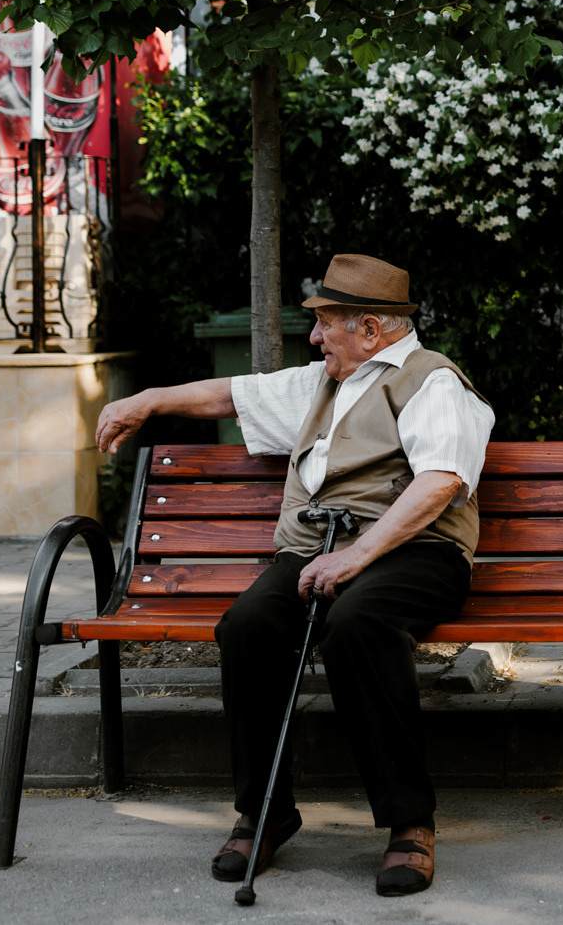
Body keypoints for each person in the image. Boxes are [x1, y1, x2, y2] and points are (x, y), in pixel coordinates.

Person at [93, 254, 493, 898]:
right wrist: (147, 400)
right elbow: (231, 394)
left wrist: (356, 559)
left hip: (419, 552)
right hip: (317, 549)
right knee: (248, 626)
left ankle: (409, 825)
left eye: (325, 323)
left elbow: (441, 483)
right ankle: (265, 813)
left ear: (372, 328)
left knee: (358, 625)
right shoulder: (325, 381)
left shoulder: (432, 382)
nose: (313, 337)